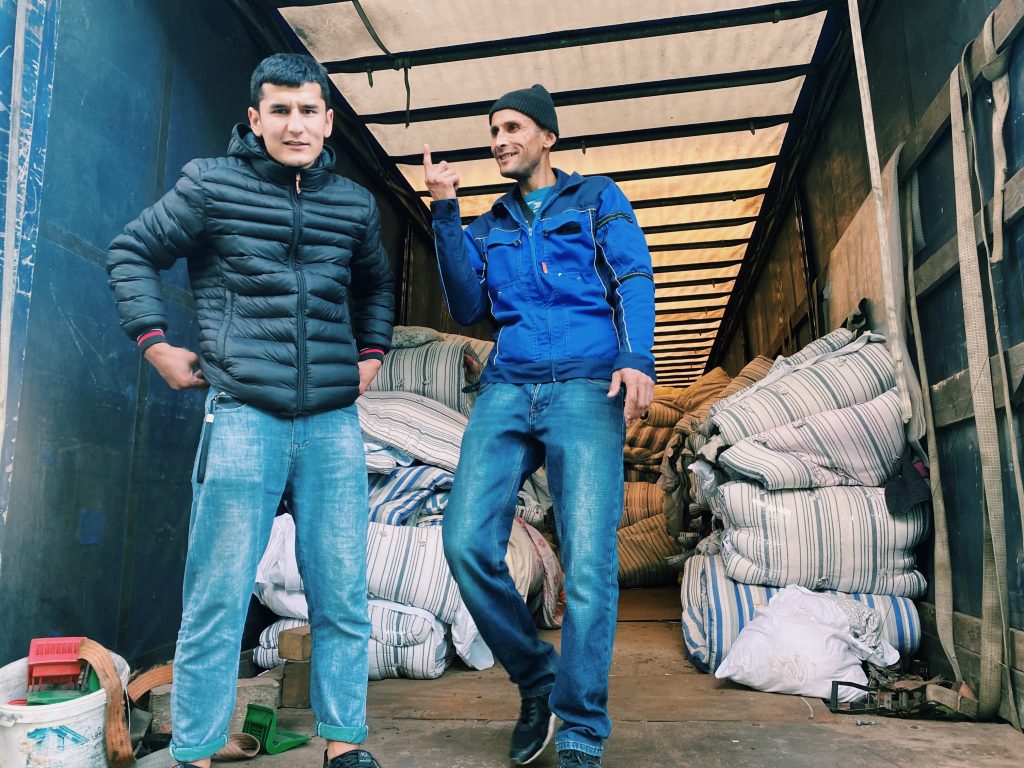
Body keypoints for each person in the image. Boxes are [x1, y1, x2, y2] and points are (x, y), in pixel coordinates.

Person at [106, 54, 394, 768]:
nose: (296, 125)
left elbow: (376, 285)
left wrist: (372, 354)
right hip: (242, 414)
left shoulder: (354, 205)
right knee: (218, 594)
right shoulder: (211, 185)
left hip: (331, 421)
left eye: (308, 111)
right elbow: (132, 250)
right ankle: (196, 751)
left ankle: (345, 746)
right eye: (280, 111)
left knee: (341, 594)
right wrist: (153, 344)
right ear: (255, 119)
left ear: (328, 120)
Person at [424, 83, 655, 768]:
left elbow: (632, 276)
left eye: (513, 128)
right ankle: (536, 677)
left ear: (548, 136)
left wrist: (636, 356)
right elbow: (467, 306)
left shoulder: (596, 198)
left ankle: (580, 725)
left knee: (588, 562)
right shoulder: (488, 223)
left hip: (586, 383)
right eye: (493, 131)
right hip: (508, 386)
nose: (500, 140)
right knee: (465, 542)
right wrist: (444, 211)